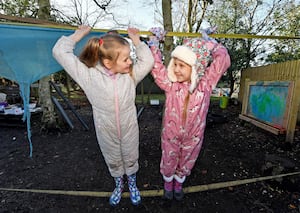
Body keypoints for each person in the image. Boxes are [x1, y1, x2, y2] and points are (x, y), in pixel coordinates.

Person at [52, 25, 154, 206]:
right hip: (105, 128)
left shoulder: (130, 75)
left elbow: (147, 62)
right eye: (125, 59)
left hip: (129, 125)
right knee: (112, 157)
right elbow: (60, 51)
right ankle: (118, 183)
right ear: (108, 62)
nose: (130, 62)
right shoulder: (88, 76)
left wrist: (137, 41)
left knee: (131, 155)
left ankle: (132, 182)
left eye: (130, 57)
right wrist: (78, 35)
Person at [148, 27, 231, 201]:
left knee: (188, 159)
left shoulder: (205, 85)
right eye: (175, 64)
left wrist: (212, 45)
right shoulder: (171, 86)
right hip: (171, 135)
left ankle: (178, 183)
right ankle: (168, 183)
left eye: (182, 66)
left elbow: (223, 61)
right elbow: (156, 67)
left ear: (195, 68)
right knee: (169, 158)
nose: (177, 70)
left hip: (193, 136)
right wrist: (154, 45)